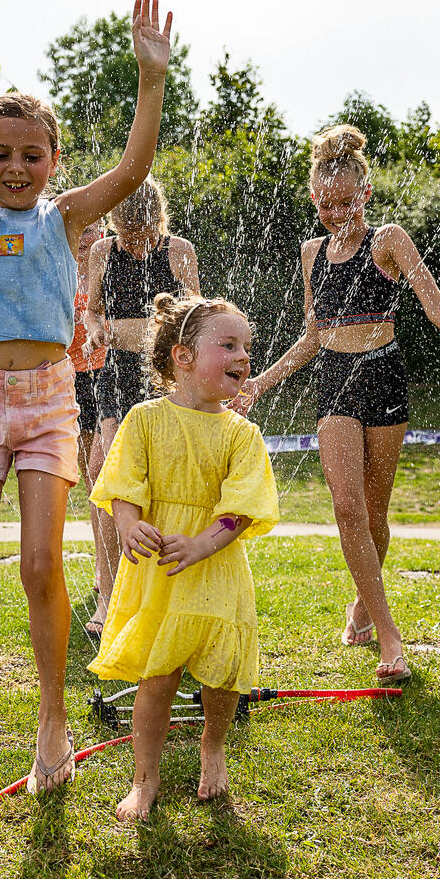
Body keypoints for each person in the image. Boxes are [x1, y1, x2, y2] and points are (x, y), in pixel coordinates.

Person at [0, 0, 176, 791]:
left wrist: (149, 75)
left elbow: (131, 172)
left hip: (51, 403)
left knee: (40, 568)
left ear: (53, 160)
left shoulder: (65, 217)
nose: (14, 168)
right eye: (0, 154)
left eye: (30, 155)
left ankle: (51, 722)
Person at [234, 124, 440, 684]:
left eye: (348, 202)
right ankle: (390, 637)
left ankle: (362, 597)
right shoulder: (311, 254)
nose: (338, 214)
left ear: (366, 195)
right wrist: (262, 383)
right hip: (334, 384)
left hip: (385, 378)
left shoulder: (388, 241)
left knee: (374, 515)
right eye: (327, 205)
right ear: (313, 199)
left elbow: (435, 303)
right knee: (346, 506)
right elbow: (313, 335)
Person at [89, 293, 278, 822]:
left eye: (246, 346)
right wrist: (127, 524)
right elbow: (122, 482)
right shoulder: (145, 419)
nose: (243, 356)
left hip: (214, 567)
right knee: (159, 676)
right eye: (228, 345)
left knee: (222, 675)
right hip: (161, 571)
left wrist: (201, 545)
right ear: (183, 356)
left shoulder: (243, 434)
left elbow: (241, 509)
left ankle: (213, 747)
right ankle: (143, 779)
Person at [82, 176, 201, 634]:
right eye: (125, 234)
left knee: (164, 476)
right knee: (107, 476)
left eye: (141, 234)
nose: (133, 244)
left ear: (158, 220)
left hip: (165, 375)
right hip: (115, 372)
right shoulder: (102, 253)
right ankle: (109, 594)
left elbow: (196, 315)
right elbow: (92, 308)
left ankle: (164, 586)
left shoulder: (178, 251)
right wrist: (94, 328)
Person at [69, 222, 114, 636]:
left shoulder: (107, 266)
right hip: (71, 380)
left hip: (107, 377)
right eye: (79, 230)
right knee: (91, 484)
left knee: (104, 478)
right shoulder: (61, 268)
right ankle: (105, 570)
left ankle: (109, 588)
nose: (85, 237)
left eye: (92, 229)